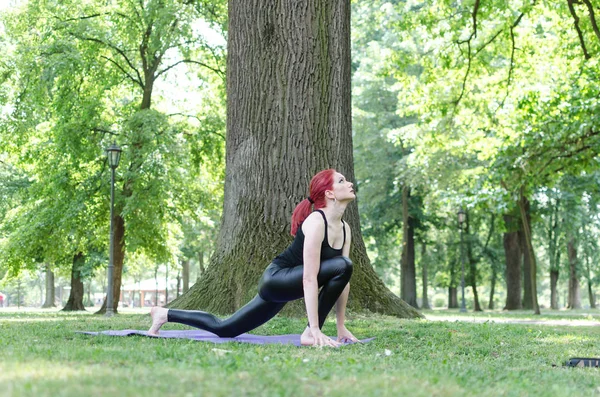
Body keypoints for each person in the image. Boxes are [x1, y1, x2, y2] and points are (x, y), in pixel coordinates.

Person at [149, 169, 359, 347]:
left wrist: (341, 327)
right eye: (342, 181)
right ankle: (309, 333)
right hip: (277, 279)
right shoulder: (316, 221)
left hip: (288, 286)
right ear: (330, 193)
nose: (349, 183)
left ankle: (164, 314)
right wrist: (313, 329)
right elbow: (309, 278)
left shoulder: (345, 228)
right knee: (343, 264)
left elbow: (343, 282)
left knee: (225, 329)